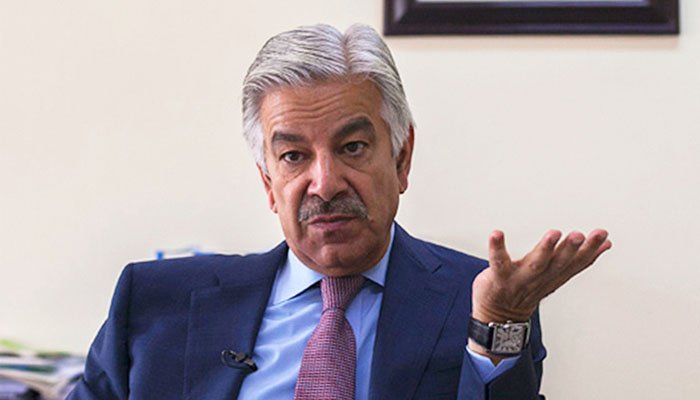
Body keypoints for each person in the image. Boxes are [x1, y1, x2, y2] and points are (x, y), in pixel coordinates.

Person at [67, 24, 611, 400]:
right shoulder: (155, 304)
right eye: (293, 156)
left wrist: (499, 324)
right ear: (268, 182)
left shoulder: (482, 302)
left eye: (352, 148)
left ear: (401, 158)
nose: (324, 184)